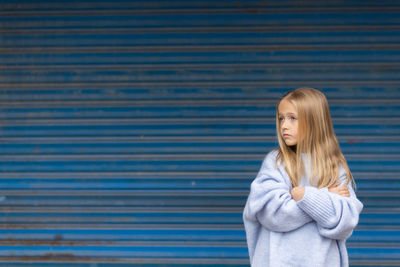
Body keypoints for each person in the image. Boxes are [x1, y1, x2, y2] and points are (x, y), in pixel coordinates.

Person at [243, 87, 363, 267]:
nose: (284, 125)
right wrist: (324, 196)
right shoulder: (276, 163)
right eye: (281, 118)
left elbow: (345, 222)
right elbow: (272, 213)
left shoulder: (334, 166)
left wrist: (305, 195)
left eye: (292, 118)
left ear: (314, 121)